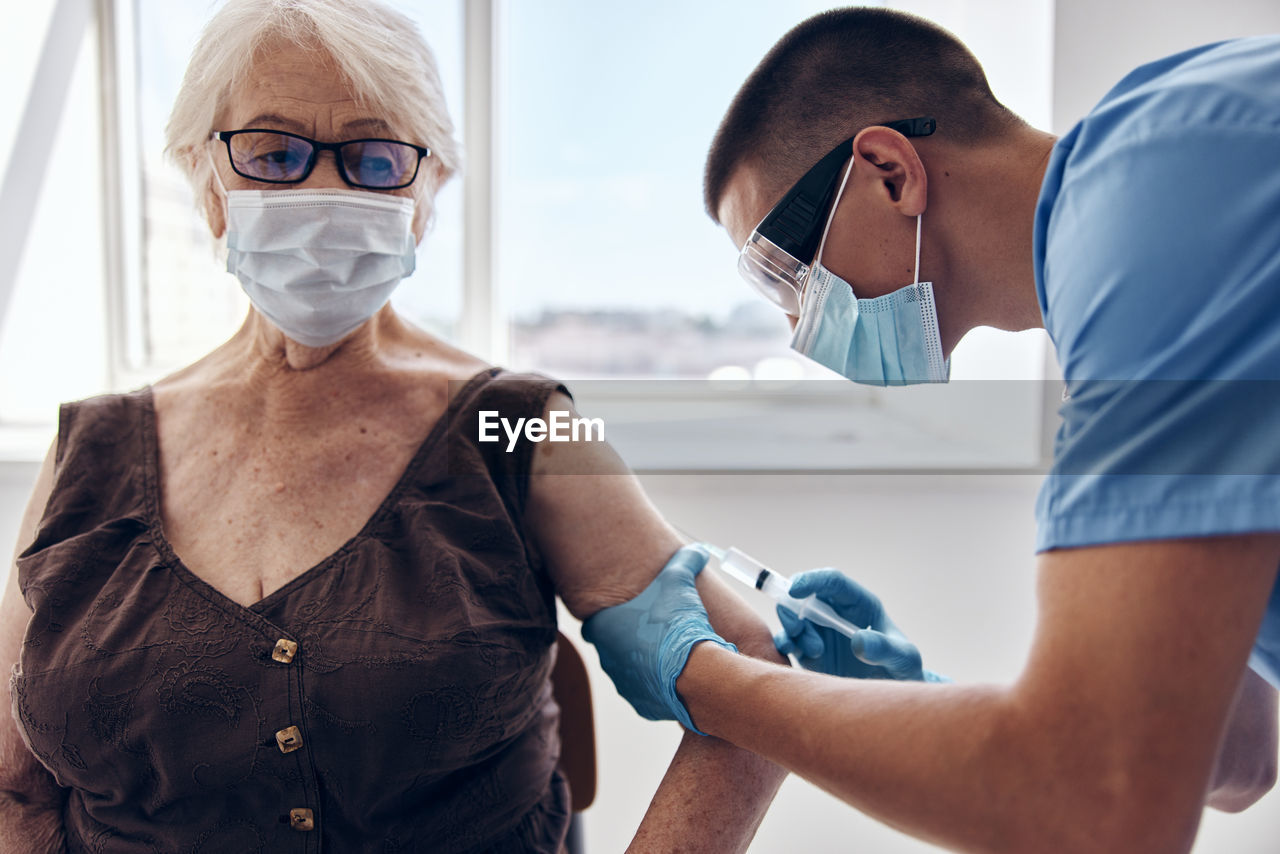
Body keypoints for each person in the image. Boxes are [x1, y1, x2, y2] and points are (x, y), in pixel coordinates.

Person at [0, 1, 788, 851]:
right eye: (273, 153)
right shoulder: (88, 450)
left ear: (430, 188)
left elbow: (747, 657)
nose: (324, 192)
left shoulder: (527, 425)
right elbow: (13, 783)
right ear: (202, 174)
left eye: (376, 159)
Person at [582, 7, 1280, 853]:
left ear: (888, 172)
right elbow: (1239, 756)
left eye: (791, 277)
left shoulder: (1157, 207)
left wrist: (713, 683)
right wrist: (921, 697)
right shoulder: (1138, 291)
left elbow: (1099, 808)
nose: (804, 325)